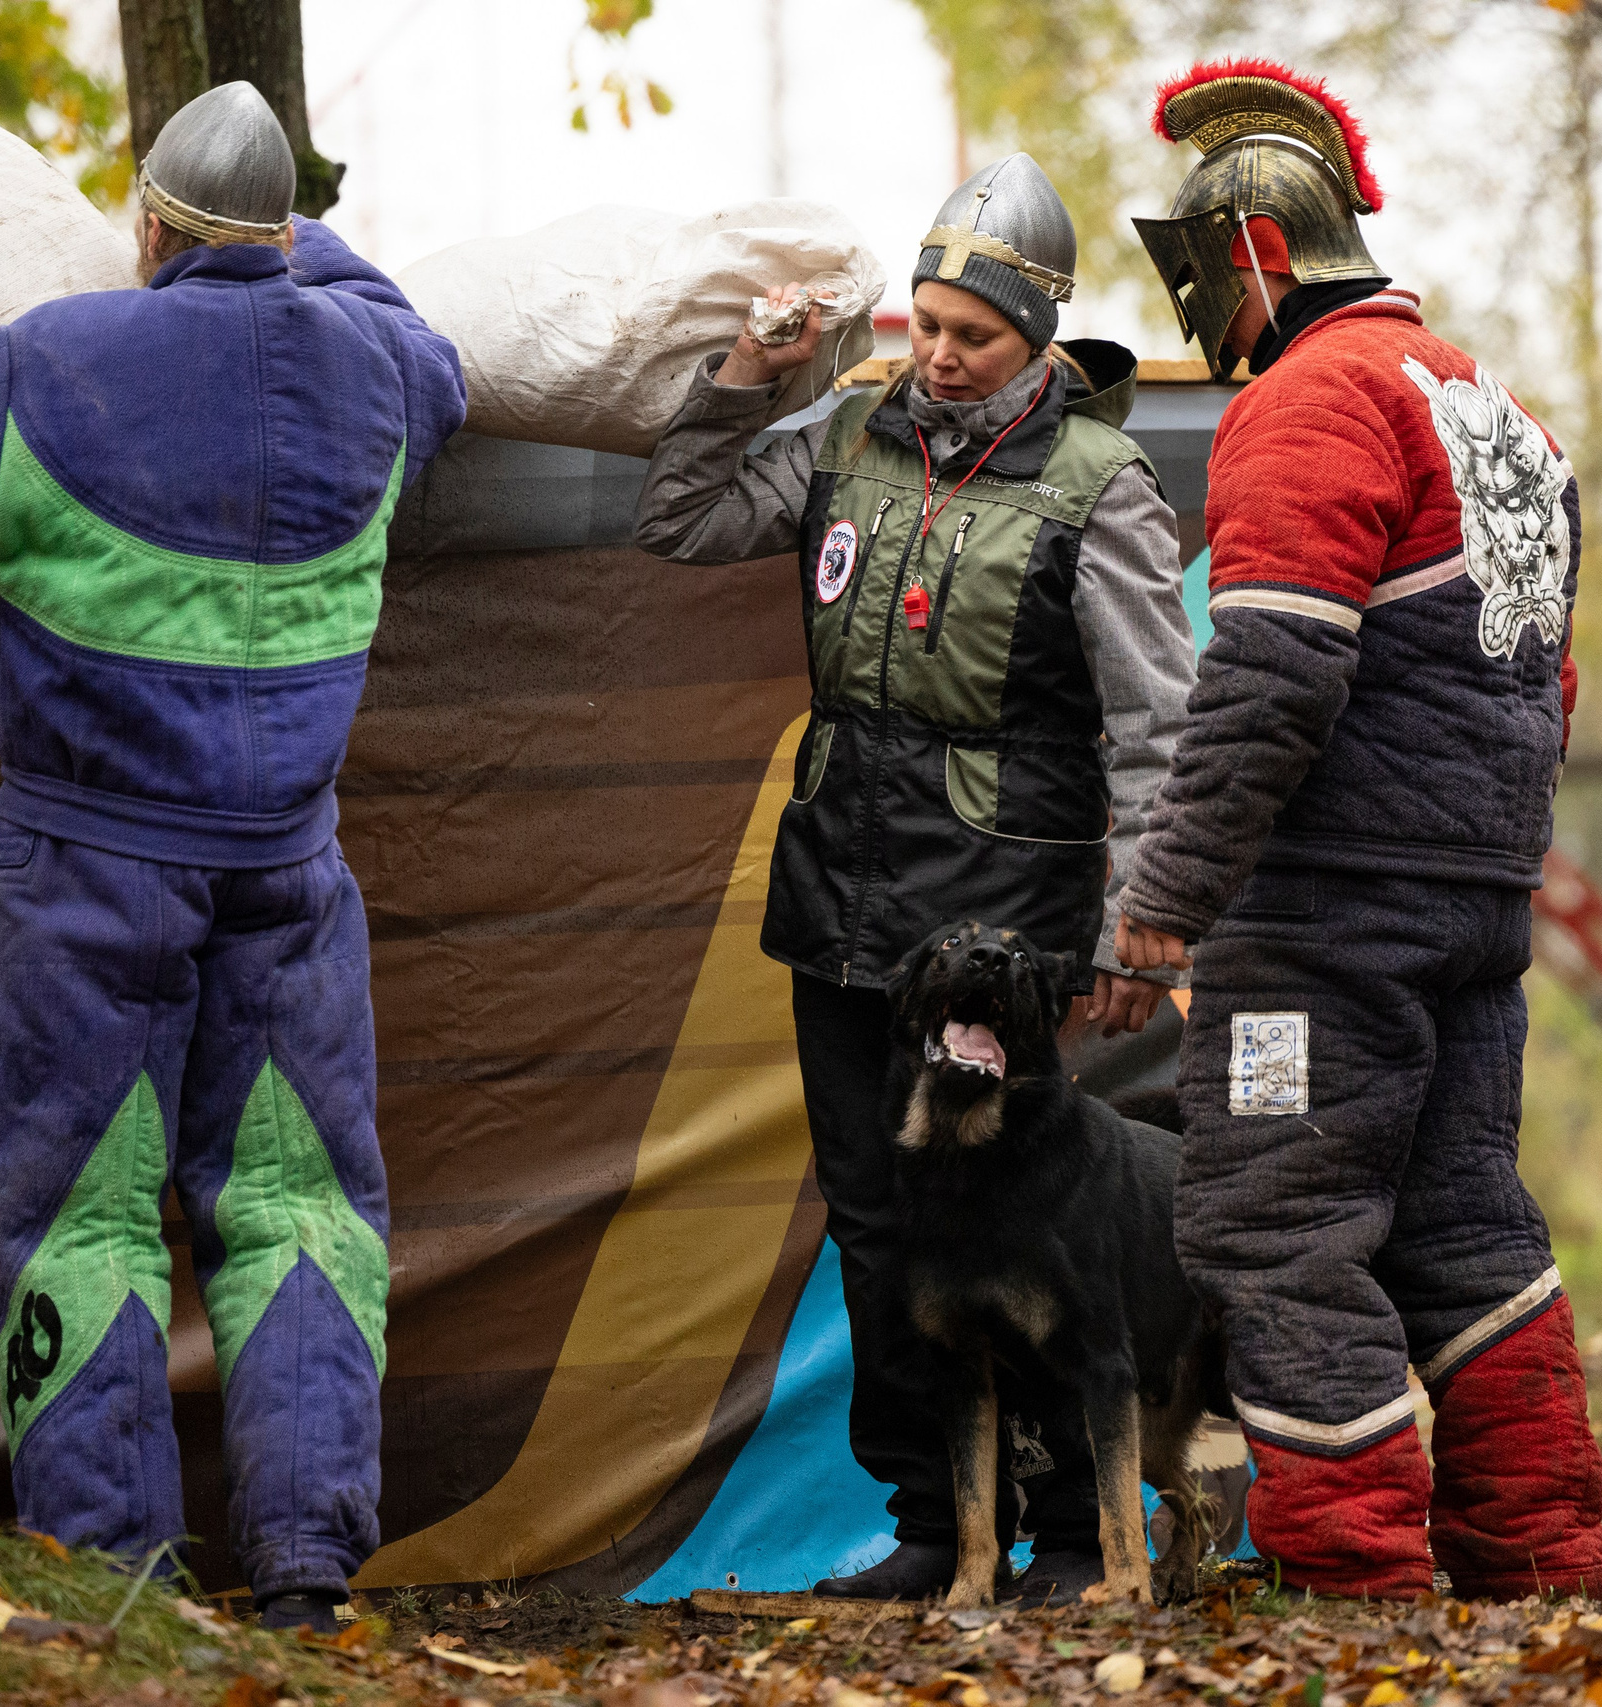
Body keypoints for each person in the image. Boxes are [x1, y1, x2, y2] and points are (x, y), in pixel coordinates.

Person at [0, 82, 466, 1632]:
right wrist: (303, 251)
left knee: (82, 1213)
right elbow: (429, 344)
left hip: (86, 878)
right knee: (299, 1209)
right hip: (290, 875)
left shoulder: (56, 357)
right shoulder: (380, 371)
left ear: (147, 224)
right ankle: (308, 1572)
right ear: (283, 235)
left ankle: (111, 1586)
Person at [634, 155, 1196, 1605]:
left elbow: (1155, 723)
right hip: (843, 904)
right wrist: (744, 377)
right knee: (880, 1216)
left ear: (1038, 343)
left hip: (1015, 922)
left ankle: (1080, 1533)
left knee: (1052, 1228)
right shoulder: (846, 436)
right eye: (927, 324)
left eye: (975, 336)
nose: (940, 356)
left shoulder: (1098, 486)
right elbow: (679, 522)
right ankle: (939, 1526)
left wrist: (1150, 915)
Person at [1112, 59, 1602, 1600]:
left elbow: (1273, 667)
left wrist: (1166, 893)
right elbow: (1552, 677)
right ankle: (1539, 1558)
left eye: (1205, 276)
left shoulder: (1307, 402)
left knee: (1278, 1226)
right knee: (1465, 1221)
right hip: (1473, 902)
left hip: (1325, 922)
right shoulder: (1497, 411)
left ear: (1251, 254)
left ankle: (1353, 1593)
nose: (1210, 314)